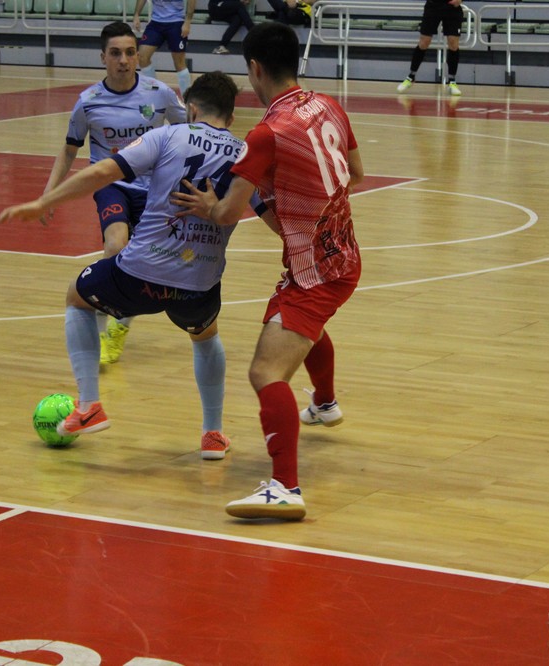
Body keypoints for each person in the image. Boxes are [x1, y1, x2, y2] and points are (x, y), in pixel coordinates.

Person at [171, 22, 363, 521]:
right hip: (341, 252)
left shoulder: (266, 134)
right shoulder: (329, 106)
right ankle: (324, 403)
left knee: (265, 371)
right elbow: (356, 174)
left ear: (254, 68)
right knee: (291, 323)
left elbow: (227, 213)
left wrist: (208, 204)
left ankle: (285, 487)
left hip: (316, 269)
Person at [0, 72, 245, 461]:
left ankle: (90, 405)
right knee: (206, 337)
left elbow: (101, 172)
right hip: (198, 283)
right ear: (232, 118)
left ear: (191, 109)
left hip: (141, 273)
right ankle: (212, 434)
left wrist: (44, 203)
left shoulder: (168, 136)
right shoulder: (247, 153)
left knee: (78, 298)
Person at [43, 21, 187, 365]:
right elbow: (69, 150)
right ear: (103, 58)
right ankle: (100, 318)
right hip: (111, 185)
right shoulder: (88, 102)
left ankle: (120, 327)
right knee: (115, 246)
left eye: (130, 52)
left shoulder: (160, 93)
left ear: (138, 56)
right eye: (116, 53)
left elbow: (189, 132)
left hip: (154, 189)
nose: (124, 60)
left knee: (145, 262)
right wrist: (48, 194)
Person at [396, 0, 464, 96]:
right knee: (424, 42)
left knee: (453, 43)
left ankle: (452, 81)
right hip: (433, 6)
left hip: (452, 8)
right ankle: (411, 77)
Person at [133, 0, 195, 96]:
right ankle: (154, 92)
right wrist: (136, 15)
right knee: (142, 57)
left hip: (176, 22)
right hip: (156, 23)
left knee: (179, 63)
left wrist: (187, 22)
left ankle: (187, 98)